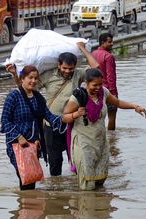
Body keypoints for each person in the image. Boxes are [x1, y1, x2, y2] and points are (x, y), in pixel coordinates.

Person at [6, 42, 99, 176]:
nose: (67, 71)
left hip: (72, 125)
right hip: (51, 125)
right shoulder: (49, 76)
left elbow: (95, 67)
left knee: (77, 159)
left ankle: (78, 189)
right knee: (55, 162)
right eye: (65, 68)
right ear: (59, 65)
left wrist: (82, 49)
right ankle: (56, 190)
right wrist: (15, 74)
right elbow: (26, 88)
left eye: (70, 68)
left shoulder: (78, 75)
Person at [61, 68, 146, 190]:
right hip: (83, 142)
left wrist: (135, 106)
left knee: (100, 180)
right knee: (87, 183)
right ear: (86, 82)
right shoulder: (78, 97)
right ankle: (86, 206)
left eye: (100, 84)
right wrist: (76, 114)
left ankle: (100, 206)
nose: (98, 88)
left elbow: (117, 102)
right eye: (94, 85)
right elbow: (64, 117)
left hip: (100, 142)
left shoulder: (104, 93)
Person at [0, 65, 66, 190]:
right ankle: (25, 205)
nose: (33, 81)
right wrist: (18, 137)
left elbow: (49, 116)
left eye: (36, 78)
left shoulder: (38, 97)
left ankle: (28, 205)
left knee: (31, 178)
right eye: (30, 78)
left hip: (33, 144)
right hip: (17, 144)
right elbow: (5, 121)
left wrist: (66, 119)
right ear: (22, 78)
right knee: (25, 178)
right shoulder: (13, 96)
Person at [92, 33, 118, 131]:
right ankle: (112, 141)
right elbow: (111, 76)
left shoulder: (93, 54)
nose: (112, 44)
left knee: (98, 117)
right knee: (112, 117)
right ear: (103, 43)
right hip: (108, 90)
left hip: (95, 90)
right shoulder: (108, 56)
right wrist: (114, 93)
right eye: (109, 42)